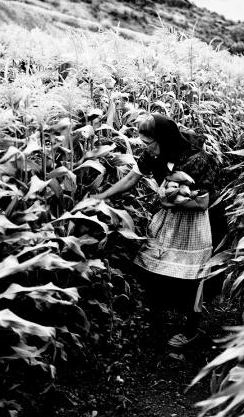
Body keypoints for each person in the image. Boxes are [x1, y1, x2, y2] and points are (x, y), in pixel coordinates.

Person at [93, 113, 218, 348]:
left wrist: (169, 202)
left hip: (193, 226)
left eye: (149, 143)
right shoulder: (155, 155)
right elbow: (131, 178)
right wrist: (100, 196)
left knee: (190, 277)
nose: (146, 149)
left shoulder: (197, 160)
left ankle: (191, 329)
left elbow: (203, 203)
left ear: (164, 138)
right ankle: (156, 319)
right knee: (154, 267)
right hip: (168, 220)